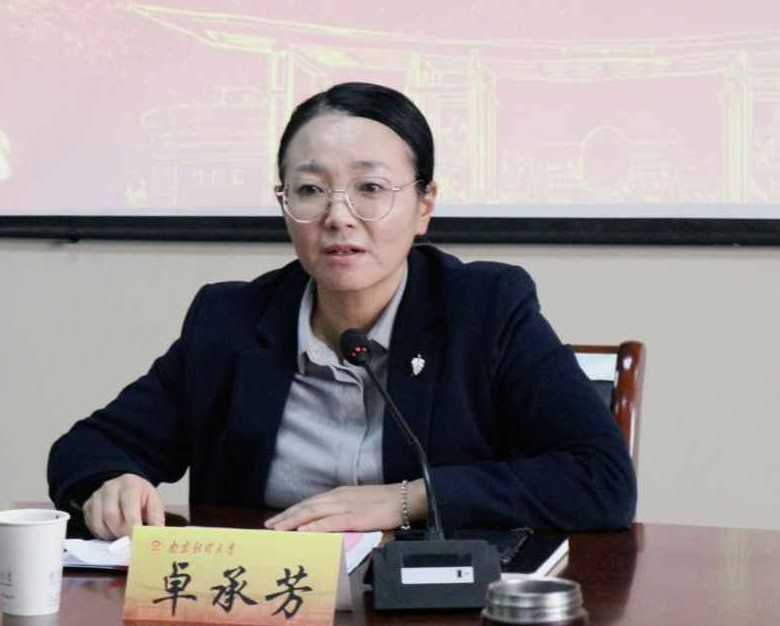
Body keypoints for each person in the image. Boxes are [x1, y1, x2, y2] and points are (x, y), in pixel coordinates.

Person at [48, 82, 636, 540]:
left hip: (429, 625)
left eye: (370, 189)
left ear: (424, 205)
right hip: (265, 618)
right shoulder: (231, 321)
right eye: (310, 190)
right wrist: (113, 481)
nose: (338, 217)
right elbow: (87, 448)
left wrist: (406, 499)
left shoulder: (485, 310)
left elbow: (601, 479)